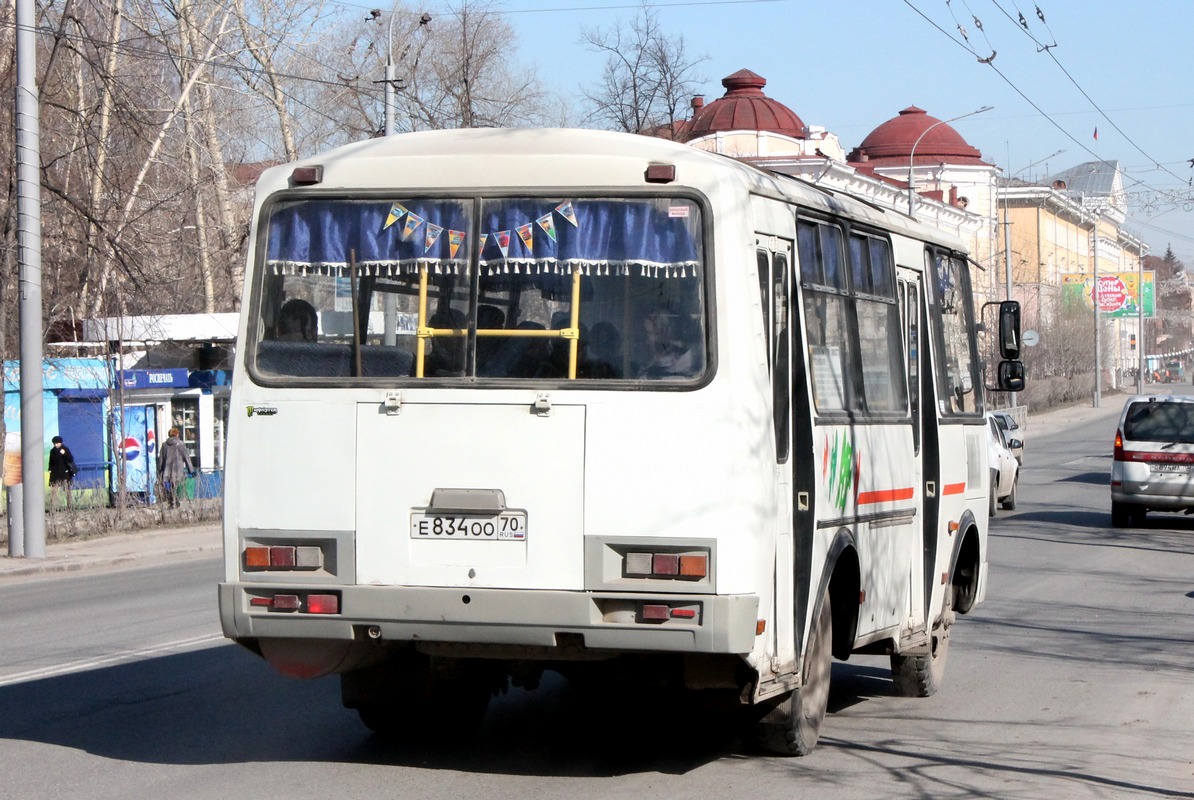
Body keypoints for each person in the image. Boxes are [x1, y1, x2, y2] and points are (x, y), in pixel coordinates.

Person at [158, 427, 194, 508]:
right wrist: (191, 470)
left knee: (169, 486)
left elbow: (161, 459)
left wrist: (160, 469)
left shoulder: (164, 445)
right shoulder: (180, 444)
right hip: (178, 469)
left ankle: (172, 502)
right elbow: (186, 457)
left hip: (167, 470)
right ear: (177, 434)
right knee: (176, 485)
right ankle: (176, 500)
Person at [47, 435, 78, 511]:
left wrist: (64, 454)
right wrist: (50, 469)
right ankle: (53, 508)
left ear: (60, 443)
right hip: (55, 474)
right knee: (54, 492)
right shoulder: (52, 451)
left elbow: (71, 459)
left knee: (67, 491)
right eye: (54, 443)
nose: (56, 445)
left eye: (57, 443)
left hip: (65, 473)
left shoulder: (65, 449)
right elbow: (51, 462)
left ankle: (69, 507)